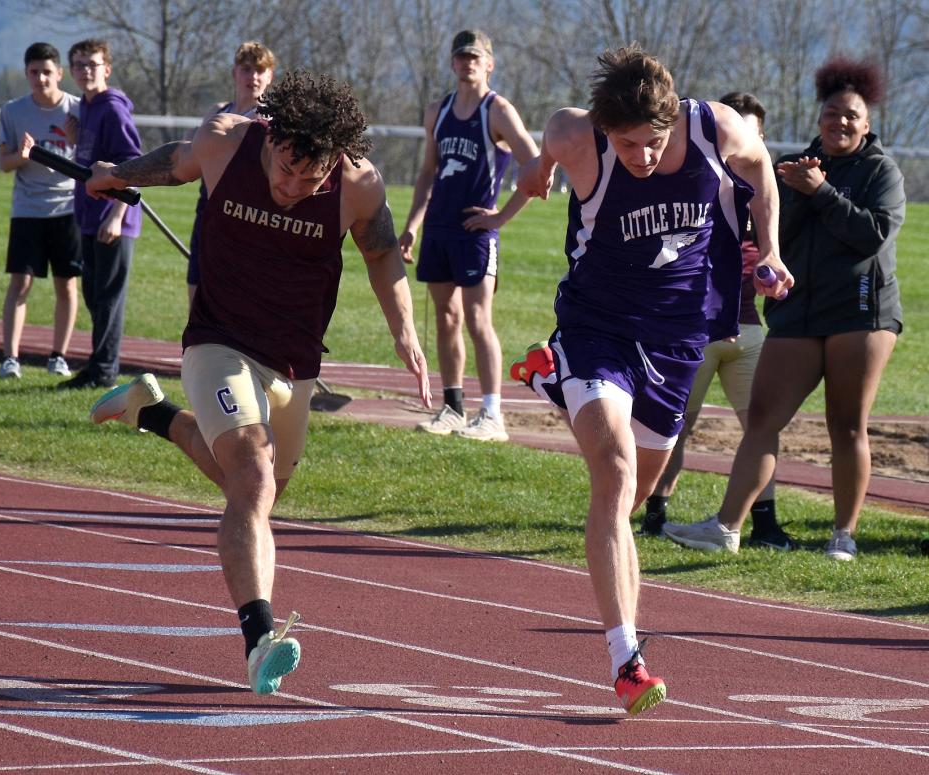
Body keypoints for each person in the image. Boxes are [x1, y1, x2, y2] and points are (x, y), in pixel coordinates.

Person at [84, 70, 432, 694]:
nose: (292, 188)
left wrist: (404, 330)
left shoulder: (357, 184)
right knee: (252, 479)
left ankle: (149, 411)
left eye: (310, 179)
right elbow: (179, 161)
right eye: (286, 170)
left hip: (293, 362)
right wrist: (119, 174)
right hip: (218, 341)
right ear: (271, 140)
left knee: (261, 493)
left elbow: (381, 253)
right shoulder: (229, 140)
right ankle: (259, 640)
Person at [512, 44, 790, 715]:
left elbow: (762, 171)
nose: (641, 157)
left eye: (653, 144)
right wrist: (540, 168)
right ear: (607, 132)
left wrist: (771, 247)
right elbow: (552, 127)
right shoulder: (581, 139)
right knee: (610, 474)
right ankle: (625, 658)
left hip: (677, 337)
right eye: (628, 144)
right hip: (597, 326)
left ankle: (550, 380)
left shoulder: (717, 129)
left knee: (634, 495)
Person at [662, 57, 904, 561]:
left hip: (860, 313)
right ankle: (727, 527)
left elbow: (872, 235)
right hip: (797, 314)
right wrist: (797, 193)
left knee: (847, 424)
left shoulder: (881, 171)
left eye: (851, 116)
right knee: (764, 419)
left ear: (867, 124)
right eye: (832, 113)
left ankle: (843, 535)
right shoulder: (792, 167)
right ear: (820, 118)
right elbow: (770, 237)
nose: (840, 122)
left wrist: (822, 193)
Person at [639, 92, 793, 551]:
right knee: (674, 423)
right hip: (699, 330)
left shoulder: (770, 195)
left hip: (750, 332)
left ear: (759, 138)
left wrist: (774, 260)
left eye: (753, 132)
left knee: (761, 429)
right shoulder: (700, 184)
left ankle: (763, 523)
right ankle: (654, 512)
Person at [399, 30, 538, 442]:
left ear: (490, 64)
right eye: (461, 57)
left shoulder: (497, 111)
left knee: (478, 320)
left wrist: (501, 217)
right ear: (452, 62)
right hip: (439, 228)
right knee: (446, 318)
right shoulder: (436, 112)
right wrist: (412, 224)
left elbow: (535, 166)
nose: (468, 63)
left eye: (476, 57)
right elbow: (428, 171)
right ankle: (453, 407)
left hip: (476, 232)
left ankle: (492, 414)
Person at [58, 39, 142, 389]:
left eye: (92, 64)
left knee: (106, 297)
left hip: (112, 219)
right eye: (78, 65)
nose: (85, 71)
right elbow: (96, 161)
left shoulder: (112, 109)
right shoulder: (87, 107)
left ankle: (104, 371)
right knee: (94, 293)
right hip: (90, 216)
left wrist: (116, 216)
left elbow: (131, 164)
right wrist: (77, 143)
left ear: (107, 68)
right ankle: (98, 365)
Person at [0, 42, 82, 380]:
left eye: (47, 72)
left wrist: (77, 143)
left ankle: (58, 356)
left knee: (67, 286)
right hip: (28, 209)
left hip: (68, 208)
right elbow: (4, 162)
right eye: (34, 72)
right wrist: (25, 155)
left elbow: (91, 158)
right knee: (21, 282)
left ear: (59, 74)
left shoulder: (77, 109)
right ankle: (10, 359)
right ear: (26, 74)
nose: (41, 78)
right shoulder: (13, 111)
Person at [187, 41, 276, 305]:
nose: (254, 77)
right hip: (209, 208)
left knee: (239, 291)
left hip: (246, 214)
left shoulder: (271, 118)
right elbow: (192, 153)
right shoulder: (217, 111)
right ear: (234, 73)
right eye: (247, 69)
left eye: (261, 70)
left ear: (270, 76)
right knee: (196, 281)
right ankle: (195, 343)